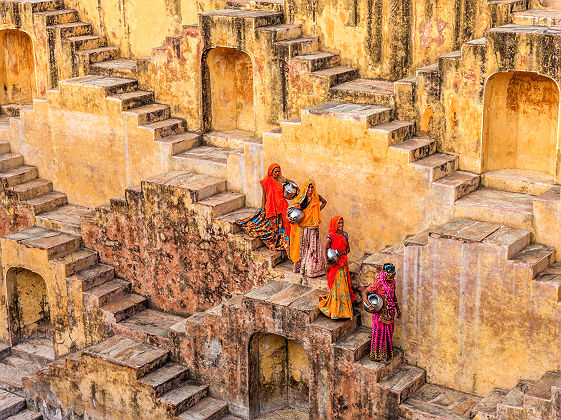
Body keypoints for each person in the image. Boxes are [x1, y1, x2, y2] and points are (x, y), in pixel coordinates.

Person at [236, 163, 292, 252]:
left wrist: (295, 189)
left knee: (279, 227)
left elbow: (291, 182)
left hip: (281, 206)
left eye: (278, 171)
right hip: (271, 206)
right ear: (271, 171)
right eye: (275, 171)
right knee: (271, 228)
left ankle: (279, 242)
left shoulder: (281, 179)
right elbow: (264, 196)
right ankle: (271, 244)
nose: (277, 173)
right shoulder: (266, 181)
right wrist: (263, 210)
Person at [317, 216, 355, 319]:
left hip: (343, 263)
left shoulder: (345, 234)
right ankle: (336, 311)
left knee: (344, 285)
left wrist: (341, 253)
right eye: (339, 223)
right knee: (338, 287)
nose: (341, 225)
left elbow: (348, 249)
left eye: (342, 223)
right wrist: (326, 262)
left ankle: (345, 311)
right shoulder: (331, 236)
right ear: (334, 224)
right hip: (334, 265)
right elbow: (324, 248)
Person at [362, 263, 401, 365]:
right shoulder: (378, 283)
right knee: (380, 334)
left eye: (393, 274)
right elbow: (364, 293)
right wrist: (369, 305)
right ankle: (379, 356)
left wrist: (398, 309)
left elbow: (394, 296)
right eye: (390, 275)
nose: (392, 277)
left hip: (390, 313)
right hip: (380, 314)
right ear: (385, 274)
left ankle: (387, 353)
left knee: (389, 333)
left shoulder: (392, 282)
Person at [289, 179, 327, 278]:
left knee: (312, 248)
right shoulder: (302, 198)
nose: (310, 189)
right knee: (302, 248)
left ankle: (311, 270)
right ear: (305, 188)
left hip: (313, 227)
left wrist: (317, 212)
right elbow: (290, 210)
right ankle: (301, 268)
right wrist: (289, 217)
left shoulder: (316, 197)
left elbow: (324, 202)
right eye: (309, 187)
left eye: (312, 187)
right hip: (303, 227)